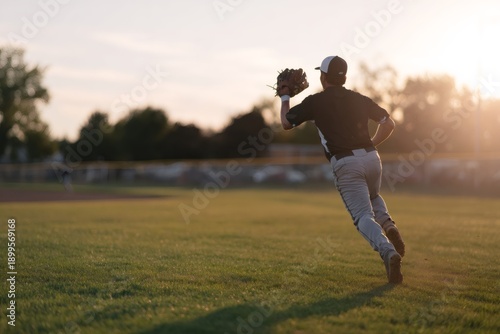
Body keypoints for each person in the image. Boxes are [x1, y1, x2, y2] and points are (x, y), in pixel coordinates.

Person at [277, 55, 405, 284]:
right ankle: (389, 225)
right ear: (344, 77)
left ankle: (388, 251)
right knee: (374, 196)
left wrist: (285, 95)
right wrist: (372, 144)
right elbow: (389, 123)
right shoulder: (358, 98)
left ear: (323, 77)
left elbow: (286, 123)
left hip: (346, 162)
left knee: (362, 216)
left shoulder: (316, 101)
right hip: (372, 158)